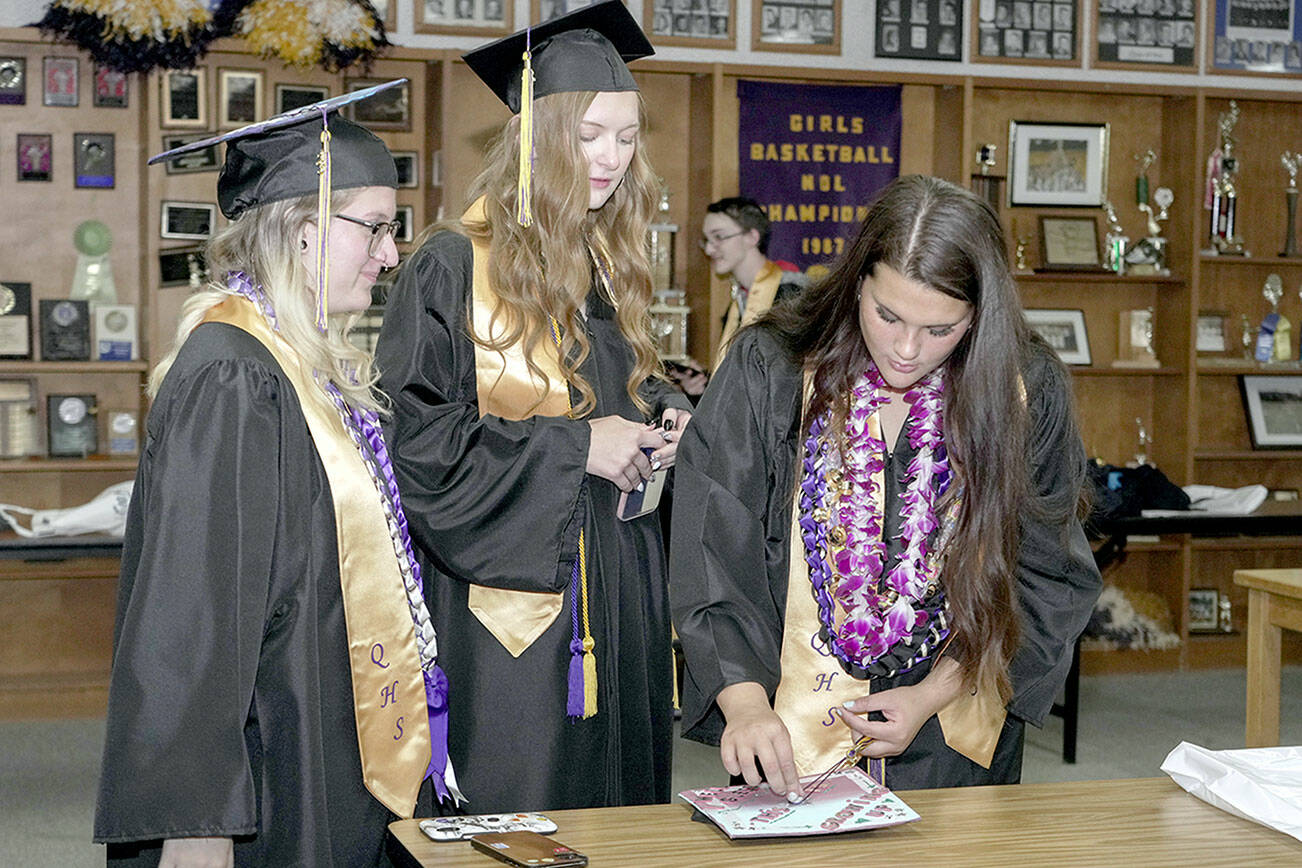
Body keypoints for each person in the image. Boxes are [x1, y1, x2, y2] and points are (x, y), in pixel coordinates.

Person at [94, 83, 458, 866]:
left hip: (332, 729)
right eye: (376, 228)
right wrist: (199, 827)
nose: (391, 254)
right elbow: (191, 620)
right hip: (270, 769)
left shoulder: (305, 367)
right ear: (300, 231)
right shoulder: (231, 375)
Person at [671, 175, 1101, 798]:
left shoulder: (1023, 389)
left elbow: (1046, 573)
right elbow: (714, 546)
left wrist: (931, 694)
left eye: (941, 329)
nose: (906, 349)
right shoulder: (773, 367)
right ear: (856, 284)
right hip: (786, 724)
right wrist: (742, 705)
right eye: (888, 314)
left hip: (955, 714)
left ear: (981, 316)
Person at [375, 1, 691, 814]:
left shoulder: (605, 257)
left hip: (620, 578)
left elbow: (617, 383)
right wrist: (575, 448)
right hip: (516, 606)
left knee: (621, 807)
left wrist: (663, 417)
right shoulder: (453, 265)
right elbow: (417, 447)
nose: (612, 158)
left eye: (626, 137)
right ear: (537, 135)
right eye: (588, 136)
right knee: (527, 809)